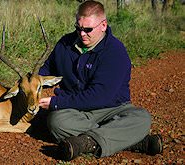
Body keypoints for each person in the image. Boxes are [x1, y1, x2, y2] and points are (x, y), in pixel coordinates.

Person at [38, 0, 163, 161]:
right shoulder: (65, 44)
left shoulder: (115, 51)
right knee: (57, 122)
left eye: (88, 29)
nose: (82, 34)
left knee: (142, 118)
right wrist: (28, 82)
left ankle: (86, 142)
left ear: (103, 25)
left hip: (111, 108)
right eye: (78, 28)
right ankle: (131, 140)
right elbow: (46, 71)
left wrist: (56, 103)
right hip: (75, 110)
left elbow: (99, 96)